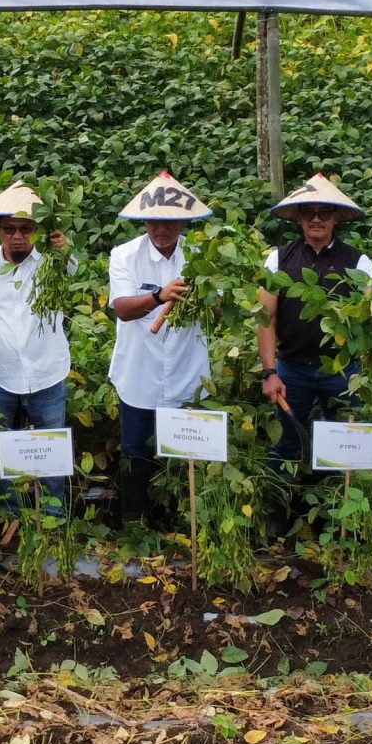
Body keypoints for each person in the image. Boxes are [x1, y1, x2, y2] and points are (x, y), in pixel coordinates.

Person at [0, 181, 73, 512]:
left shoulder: (50, 262)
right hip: (1, 375)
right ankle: (9, 517)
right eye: (10, 229)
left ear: (36, 229)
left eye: (25, 229)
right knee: (3, 450)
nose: (17, 236)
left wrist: (64, 249)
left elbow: (73, 269)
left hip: (47, 373)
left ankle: (54, 519)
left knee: (51, 455)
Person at [107, 171, 212, 523]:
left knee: (185, 453)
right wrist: (158, 296)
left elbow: (218, 310)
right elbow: (122, 308)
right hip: (138, 374)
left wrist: (206, 296)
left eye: (170, 221)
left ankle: (180, 525)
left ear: (183, 222)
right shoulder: (124, 255)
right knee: (136, 453)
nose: (161, 228)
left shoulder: (202, 258)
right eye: (154, 220)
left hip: (188, 374)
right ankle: (136, 525)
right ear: (144, 220)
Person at [258, 174, 372, 467]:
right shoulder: (278, 259)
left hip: (342, 370)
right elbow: (265, 319)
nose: (316, 219)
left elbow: (371, 315)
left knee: (346, 444)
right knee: (288, 442)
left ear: (336, 218)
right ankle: (283, 502)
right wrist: (269, 372)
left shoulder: (357, 261)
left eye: (324, 212)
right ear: (298, 218)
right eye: (309, 212)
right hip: (291, 369)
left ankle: (338, 506)